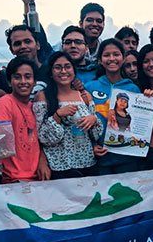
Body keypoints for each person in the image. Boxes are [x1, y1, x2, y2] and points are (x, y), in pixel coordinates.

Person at [33, 51, 102, 179]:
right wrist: (57, 116)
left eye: (67, 66)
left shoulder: (84, 96)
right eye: (58, 67)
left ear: (74, 70)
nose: (63, 71)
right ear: (51, 72)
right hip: (58, 167)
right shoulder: (43, 97)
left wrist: (93, 120)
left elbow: (96, 135)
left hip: (87, 164)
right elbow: (42, 138)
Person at [85, 39, 142, 175]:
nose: (112, 59)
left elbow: (140, 124)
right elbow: (82, 121)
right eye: (106, 55)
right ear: (100, 60)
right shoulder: (89, 88)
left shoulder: (133, 88)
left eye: (116, 54)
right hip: (99, 159)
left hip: (127, 158)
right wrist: (92, 146)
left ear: (123, 58)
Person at [0, 57, 50, 183]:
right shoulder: (3, 104)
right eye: (17, 77)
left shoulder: (33, 106)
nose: (23, 81)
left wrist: (42, 161)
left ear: (34, 82)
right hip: (12, 181)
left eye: (28, 77)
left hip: (37, 179)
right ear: (9, 82)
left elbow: (39, 140)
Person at [0, 25, 47, 97]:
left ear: (37, 45)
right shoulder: (4, 77)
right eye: (17, 44)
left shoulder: (51, 72)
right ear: (11, 50)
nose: (23, 46)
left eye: (27, 41)